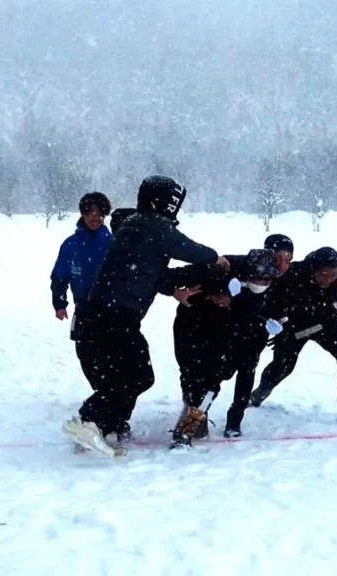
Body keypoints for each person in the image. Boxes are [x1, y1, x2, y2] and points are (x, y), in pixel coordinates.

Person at [63, 175, 229, 456]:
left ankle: (102, 426)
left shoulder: (133, 227)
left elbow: (147, 272)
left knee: (122, 374)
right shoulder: (153, 225)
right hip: (115, 317)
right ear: (166, 202)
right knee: (139, 375)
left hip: (101, 315)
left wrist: (174, 291)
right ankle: (90, 420)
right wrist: (215, 258)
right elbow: (187, 249)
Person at [167, 248, 281, 448]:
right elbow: (184, 283)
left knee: (217, 379)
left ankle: (200, 419)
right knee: (194, 374)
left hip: (239, 331)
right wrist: (217, 289)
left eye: (266, 280)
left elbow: (272, 310)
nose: (261, 284)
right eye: (256, 278)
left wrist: (277, 324)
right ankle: (189, 421)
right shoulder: (222, 268)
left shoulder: (275, 286)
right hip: (193, 325)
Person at [249, 247, 337, 425]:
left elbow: (327, 319)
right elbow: (272, 302)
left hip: (322, 323)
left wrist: (298, 334)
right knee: (284, 365)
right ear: (313, 270)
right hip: (290, 322)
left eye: (332, 275)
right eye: (323, 274)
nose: (327, 280)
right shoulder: (291, 275)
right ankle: (259, 393)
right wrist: (282, 325)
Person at [222, 233, 295, 438]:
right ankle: (197, 415)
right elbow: (216, 270)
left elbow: (282, 307)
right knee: (216, 376)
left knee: (247, 374)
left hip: (256, 335)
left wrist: (281, 324)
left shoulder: (288, 279)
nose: (282, 264)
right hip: (226, 332)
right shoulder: (241, 265)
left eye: (288, 259)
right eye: (278, 257)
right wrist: (227, 289)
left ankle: (234, 421)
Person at [50, 191, 113, 379]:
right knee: (86, 353)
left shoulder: (113, 242)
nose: (95, 217)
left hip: (111, 308)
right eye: (90, 212)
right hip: (84, 307)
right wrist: (59, 304)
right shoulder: (71, 245)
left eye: (100, 213)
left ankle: (108, 392)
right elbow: (59, 277)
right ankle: (100, 390)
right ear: (83, 214)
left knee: (110, 354)